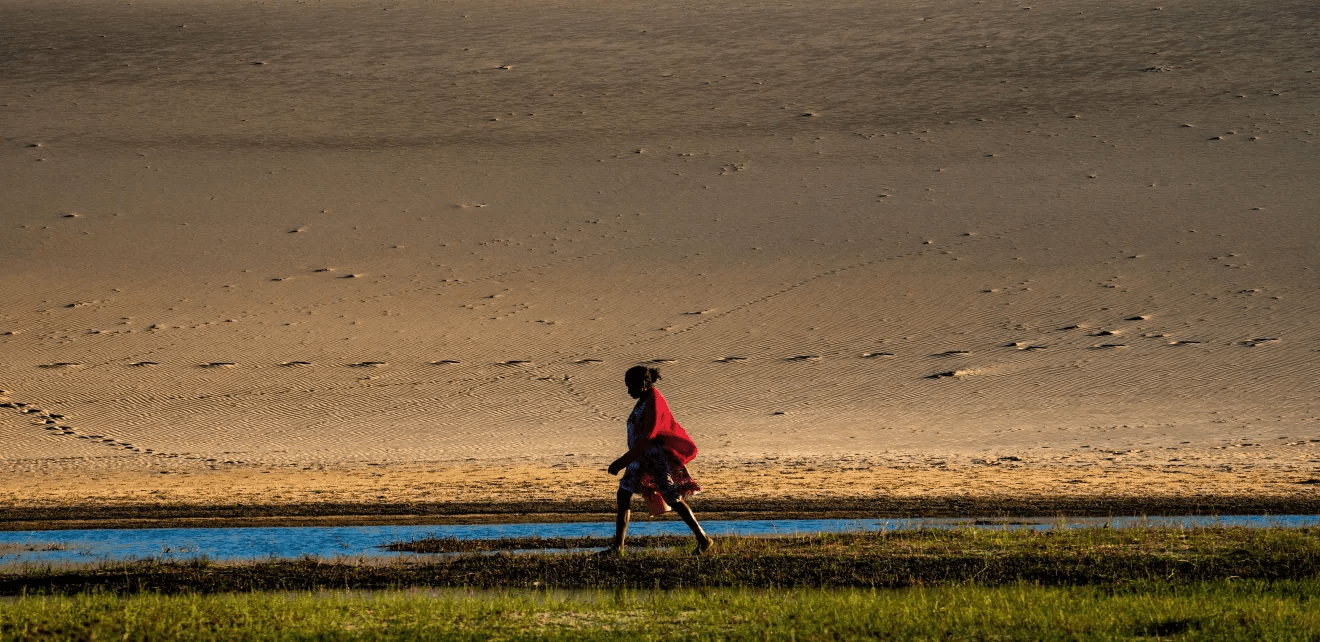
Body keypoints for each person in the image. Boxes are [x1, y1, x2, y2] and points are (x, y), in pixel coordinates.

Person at [603, 365, 714, 555]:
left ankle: (703, 539)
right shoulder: (644, 399)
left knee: (673, 498)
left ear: (644, 384)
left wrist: (621, 462)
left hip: (655, 458)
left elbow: (648, 436)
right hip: (639, 458)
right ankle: (618, 547)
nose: (628, 391)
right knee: (623, 495)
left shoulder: (654, 400)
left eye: (631, 386)